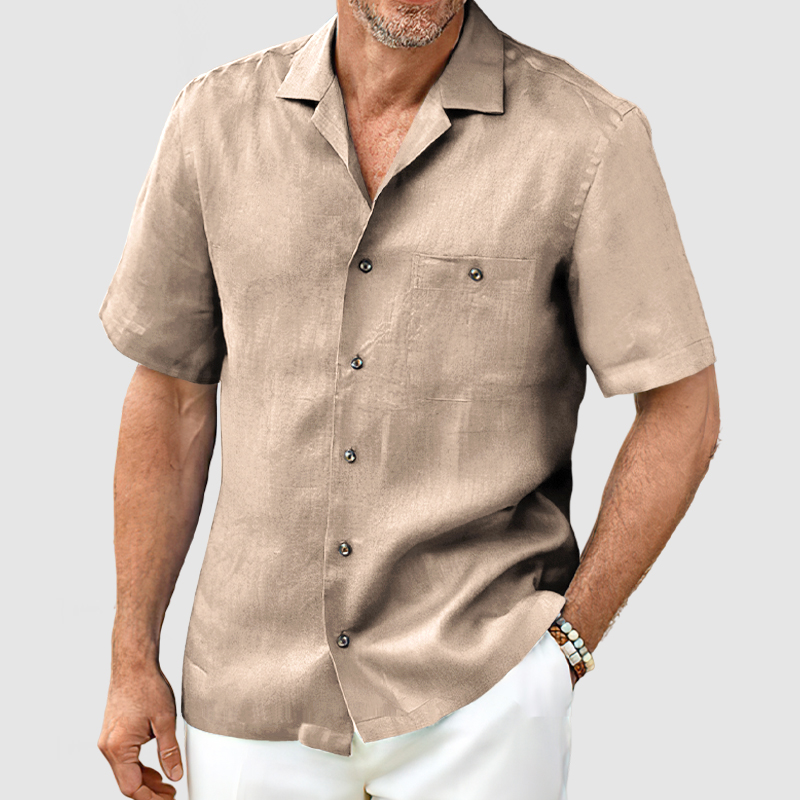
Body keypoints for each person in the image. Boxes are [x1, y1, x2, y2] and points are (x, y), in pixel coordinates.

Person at [96, 0, 721, 797]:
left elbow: (684, 410)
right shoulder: (213, 121)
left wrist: (566, 649)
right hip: (249, 697)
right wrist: (131, 653)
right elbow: (171, 397)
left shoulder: (587, 137)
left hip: (477, 693)